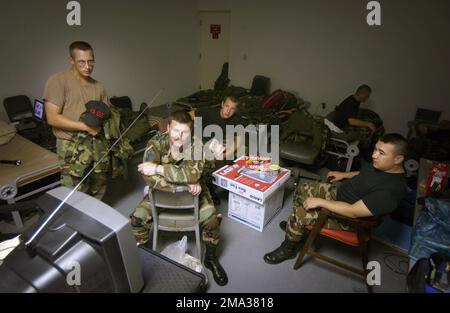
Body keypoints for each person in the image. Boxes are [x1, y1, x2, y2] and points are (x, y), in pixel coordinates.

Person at [264, 133, 408, 264]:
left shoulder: (390, 190)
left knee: (301, 213)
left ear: (398, 159)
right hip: (341, 197)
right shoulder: (382, 165)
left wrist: (321, 202)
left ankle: (289, 248)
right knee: (303, 188)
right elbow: (364, 173)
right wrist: (343, 175)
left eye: (381, 153)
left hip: (350, 218)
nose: (374, 155)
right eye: (375, 149)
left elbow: (354, 212)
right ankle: (296, 229)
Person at [130, 110, 229, 286]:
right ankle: (143, 254)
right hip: (162, 196)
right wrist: (184, 184)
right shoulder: (155, 143)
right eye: (175, 130)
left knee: (212, 219)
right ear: (168, 127)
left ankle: (210, 258)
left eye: (184, 132)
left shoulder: (196, 145)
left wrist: (159, 169)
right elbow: (148, 177)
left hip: (195, 195)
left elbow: (191, 174)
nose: (179, 136)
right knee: (137, 219)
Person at [43, 41, 110, 199]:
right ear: (71, 61)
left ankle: (97, 218)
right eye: (81, 62)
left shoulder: (98, 87)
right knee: (75, 189)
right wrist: (85, 127)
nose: (87, 66)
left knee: (98, 183)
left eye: (91, 61)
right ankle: (79, 222)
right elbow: (52, 118)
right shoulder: (58, 81)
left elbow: (105, 113)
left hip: (96, 142)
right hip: (70, 145)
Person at [193, 95, 242, 204]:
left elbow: (238, 141)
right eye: (226, 106)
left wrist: (225, 154)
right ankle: (209, 190)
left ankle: (235, 187)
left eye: (232, 108)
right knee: (207, 161)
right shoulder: (207, 112)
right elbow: (190, 115)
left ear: (236, 110)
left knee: (239, 156)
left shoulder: (236, 119)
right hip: (199, 142)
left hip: (217, 145)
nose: (228, 111)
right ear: (222, 104)